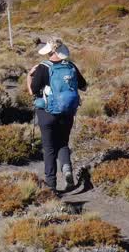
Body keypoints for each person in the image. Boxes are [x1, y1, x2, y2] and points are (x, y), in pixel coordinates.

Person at [27, 38, 88, 193]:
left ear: (50, 51)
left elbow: (33, 91)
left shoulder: (42, 67)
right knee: (62, 143)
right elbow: (84, 86)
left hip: (47, 113)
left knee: (49, 148)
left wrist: (29, 77)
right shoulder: (71, 66)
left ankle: (51, 186)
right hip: (67, 112)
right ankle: (67, 168)